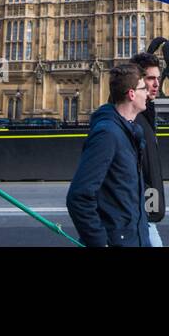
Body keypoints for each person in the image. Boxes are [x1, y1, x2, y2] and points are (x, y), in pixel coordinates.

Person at [66, 63, 151, 247]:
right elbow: (79, 196)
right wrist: (99, 243)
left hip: (135, 238)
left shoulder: (131, 132)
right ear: (131, 94)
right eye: (144, 88)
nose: (148, 93)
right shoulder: (108, 134)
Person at [131, 52, 166, 246]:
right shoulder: (127, 120)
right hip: (137, 216)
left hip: (146, 212)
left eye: (158, 78)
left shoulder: (146, 113)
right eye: (150, 78)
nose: (156, 84)